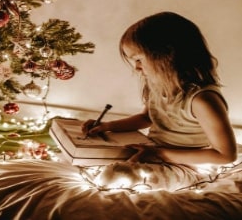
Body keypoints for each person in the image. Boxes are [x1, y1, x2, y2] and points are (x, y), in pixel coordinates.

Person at [82, 11, 237, 166]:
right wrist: (108, 126)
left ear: (166, 56)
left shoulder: (202, 100)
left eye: (138, 59)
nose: (136, 68)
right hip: (152, 152)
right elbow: (146, 118)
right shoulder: (156, 84)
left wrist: (159, 154)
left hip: (185, 163)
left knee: (118, 175)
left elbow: (225, 155)